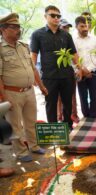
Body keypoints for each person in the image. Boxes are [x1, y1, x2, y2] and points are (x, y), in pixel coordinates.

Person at [0, 13, 48, 162]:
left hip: (29, 91)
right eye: (14, 27)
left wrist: (41, 86)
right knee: (15, 126)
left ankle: (33, 146)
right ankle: (21, 152)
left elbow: (33, 69)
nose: (18, 30)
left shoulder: (24, 46)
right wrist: (5, 98)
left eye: (18, 27)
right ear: (3, 29)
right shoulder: (0, 49)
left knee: (31, 121)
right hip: (11, 92)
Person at [30, 5, 82, 130]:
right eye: (52, 15)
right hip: (49, 77)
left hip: (67, 75)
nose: (56, 18)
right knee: (51, 104)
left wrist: (79, 68)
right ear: (45, 16)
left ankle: (68, 126)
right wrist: (32, 75)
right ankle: (53, 129)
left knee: (67, 103)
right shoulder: (37, 34)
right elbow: (33, 56)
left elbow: (74, 54)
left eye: (58, 16)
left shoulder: (66, 35)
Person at [73, 16, 96, 118]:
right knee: (82, 95)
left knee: (94, 95)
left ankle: (93, 116)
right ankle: (85, 116)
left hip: (93, 71)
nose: (85, 28)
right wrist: (80, 70)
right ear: (76, 27)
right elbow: (72, 57)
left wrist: (89, 70)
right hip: (79, 72)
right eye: (82, 26)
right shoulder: (73, 40)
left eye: (86, 25)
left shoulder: (95, 39)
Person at [57, 18, 79, 123]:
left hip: (69, 73)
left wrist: (77, 69)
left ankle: (73, 115)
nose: (66, 29)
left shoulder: (70, 39)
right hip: (55, 75)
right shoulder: (54, 39)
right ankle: (59, 115)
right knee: (58, 98)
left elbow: (75, 57)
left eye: (68, 28)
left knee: (71, 97)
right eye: (64, 27)